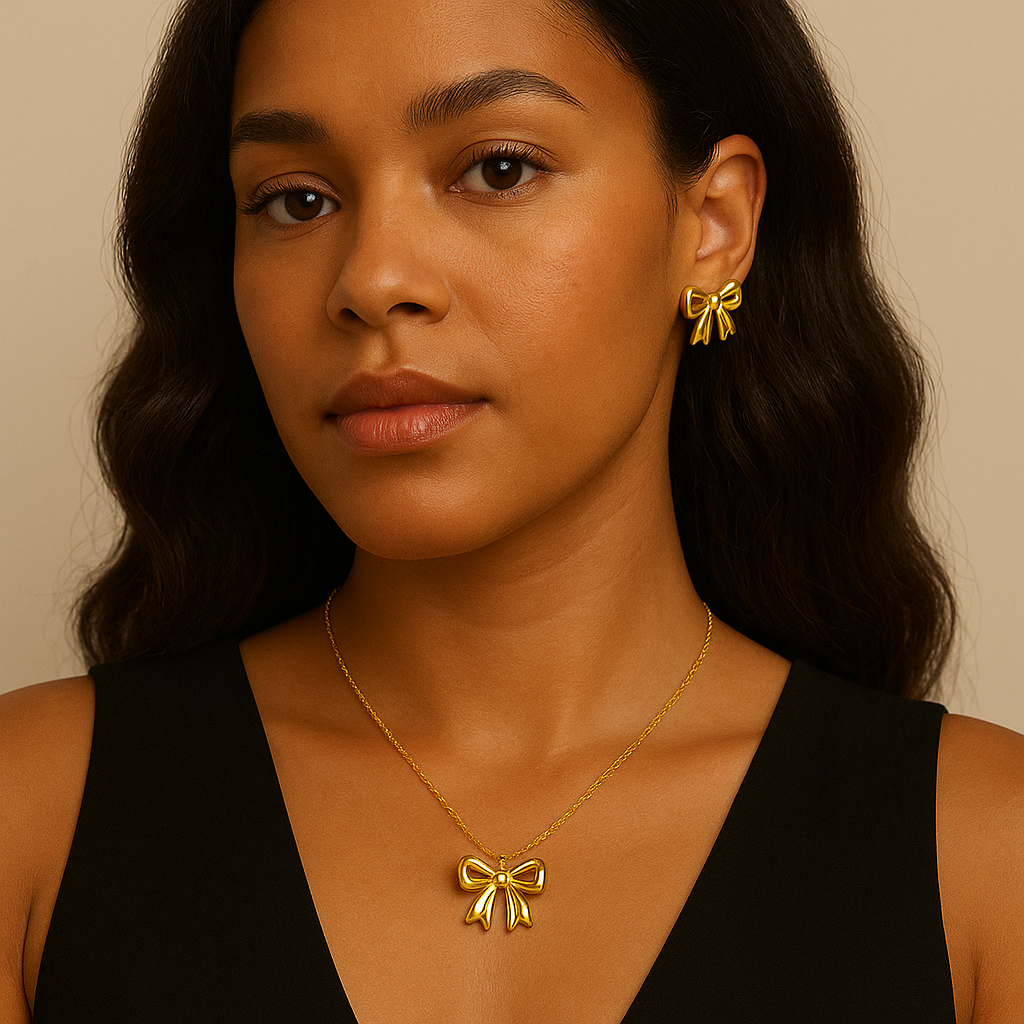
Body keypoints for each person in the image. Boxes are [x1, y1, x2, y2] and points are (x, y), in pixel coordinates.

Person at [1, 0, 1022, 1020]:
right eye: (295, 200)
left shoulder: (986, 857)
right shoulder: (29, 817)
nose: (373, 279)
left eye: (496, 168)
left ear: (713, 225)